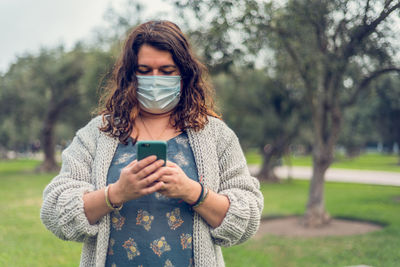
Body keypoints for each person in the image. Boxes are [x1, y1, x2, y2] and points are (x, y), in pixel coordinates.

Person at [40, 20, 263, 267]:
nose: (155, 80)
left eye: (166, 71)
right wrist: (115, 193)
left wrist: (192, 192)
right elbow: (54, 211)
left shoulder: (216, 135)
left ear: (184, 74)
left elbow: (247, 217)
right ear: (130, 74)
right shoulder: (98, 133)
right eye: (144, 71)